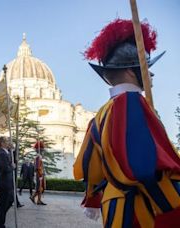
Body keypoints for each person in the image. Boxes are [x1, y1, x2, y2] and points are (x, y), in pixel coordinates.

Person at [73, 19, 180, 227]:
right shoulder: (131, 103)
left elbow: (89, 165)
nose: (151, 74)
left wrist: (93, 199)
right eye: (146, 68)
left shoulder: (101, 114)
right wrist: (172, 207)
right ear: (132, 71)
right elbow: (146, 169)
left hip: (114, 206)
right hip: (140, 208)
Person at [0, 136, 15, 228]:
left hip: (8, 182)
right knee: (4, 203)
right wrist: (12, 167)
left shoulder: (7, 153)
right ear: (2, 143)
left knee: (10, 201)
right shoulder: (1, 154)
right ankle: (0, 223)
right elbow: (5, 168)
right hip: (4, 182)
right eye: (6, 141)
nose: (8, 142)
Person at [30, 141, 47, 205]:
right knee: (38, 188)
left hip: (40, 174)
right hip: (38, 174)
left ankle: (39, 200)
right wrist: (40, 174)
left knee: (40, 188)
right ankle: (33, 197)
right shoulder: (38, 157)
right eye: (42, 149)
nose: (43, 150)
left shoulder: (39, 156)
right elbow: (37, 167)